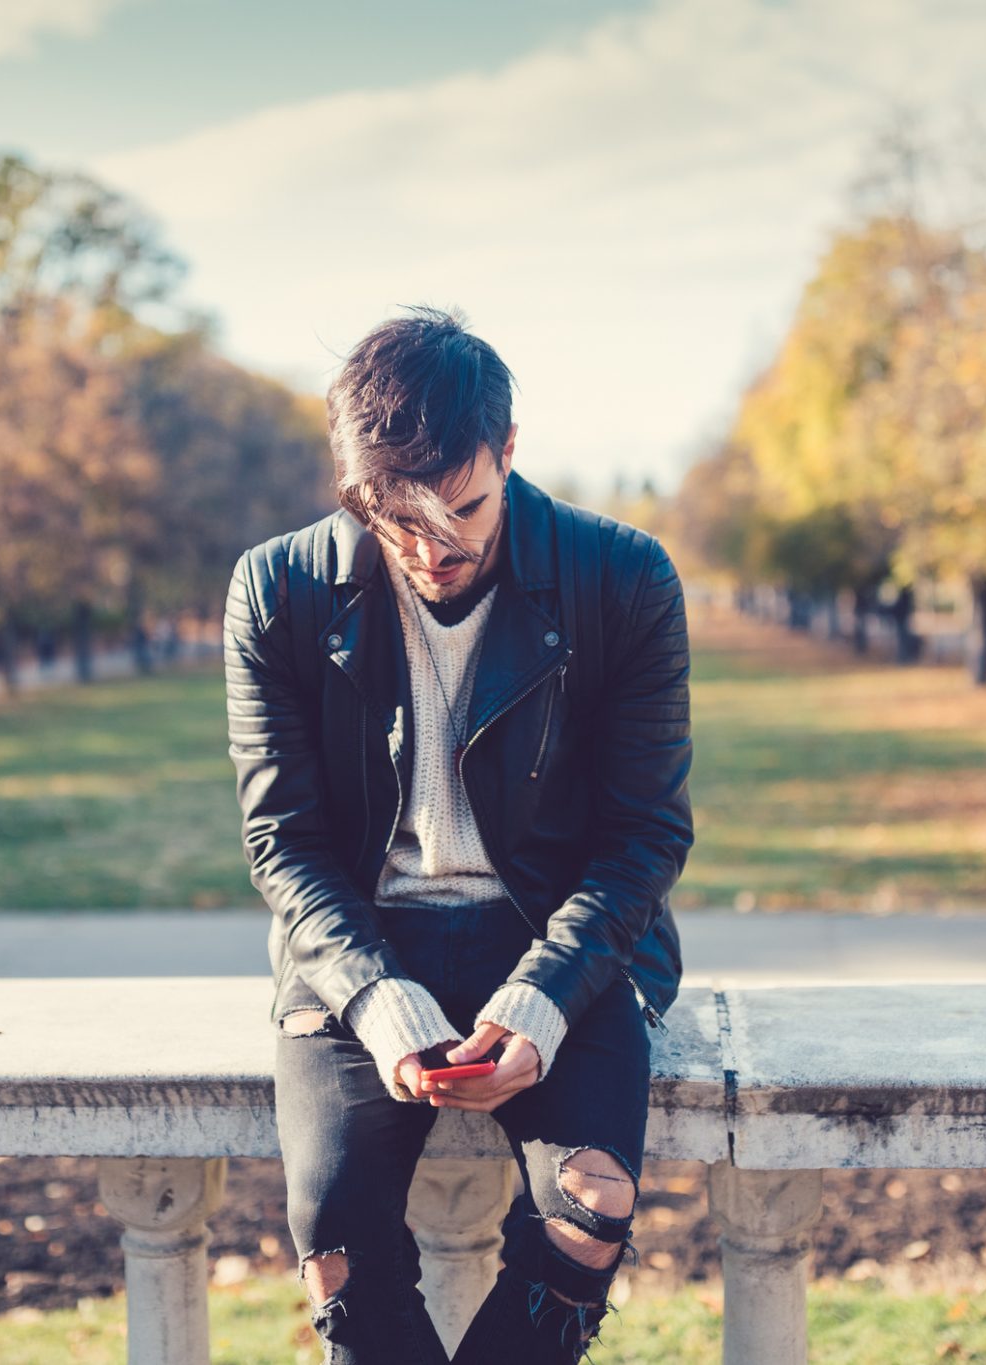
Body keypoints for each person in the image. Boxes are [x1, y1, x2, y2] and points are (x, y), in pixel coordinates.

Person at [223, 306, 692, 1364]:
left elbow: (644, 834)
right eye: (394, 518)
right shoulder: (276, 590)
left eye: (464, 509)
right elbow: (282, 843)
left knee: (588, 1204)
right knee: (335, 1240)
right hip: (356, 944)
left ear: (510, 451)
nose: (430, 548)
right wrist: (378, 998)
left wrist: (540, 998)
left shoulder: (622, 579)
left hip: (558, 935)